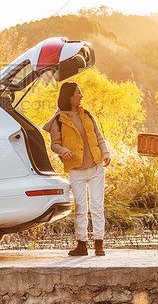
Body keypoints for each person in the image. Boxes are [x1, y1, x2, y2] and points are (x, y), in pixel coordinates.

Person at [43, 82, 111, 256]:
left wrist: (106, 153)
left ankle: (99, 243)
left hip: (96, 167)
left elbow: (99, 137)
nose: (81, 96)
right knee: (80, 207)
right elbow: (54, 145)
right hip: (76, 170)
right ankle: (82, 244)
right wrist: (64, 151)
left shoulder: (87, 114)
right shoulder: (59, 120)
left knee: (97, 206)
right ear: (70, 97)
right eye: (78, 93)